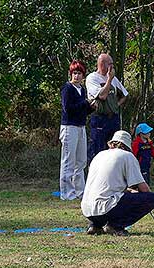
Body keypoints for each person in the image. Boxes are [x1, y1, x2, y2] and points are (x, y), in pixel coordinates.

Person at [81, 130, 154, 236]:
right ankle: (115, 226)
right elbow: (144, 189)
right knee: (150, 198)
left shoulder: (99, 155)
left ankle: (95, 225)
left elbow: (107, 186)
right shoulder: (127, 156)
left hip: (87, 209)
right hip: (106, 207)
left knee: (108, 201)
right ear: (127, 145)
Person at [59, 60, 95, 201]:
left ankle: (80, 191)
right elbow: (68, 108)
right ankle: (67, 193)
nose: (77, 76)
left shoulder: (82, 90)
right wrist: (85, 103)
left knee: (81, 161)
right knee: (69, 161)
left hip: (80, 127)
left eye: (79, 73)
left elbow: (81, 111)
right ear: (71, 74)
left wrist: (90, 107)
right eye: (75, 73)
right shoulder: (67, 88)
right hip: (69, 127)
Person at [85, 53, 128, 163]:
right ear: (102, 64)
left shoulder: (114, 79)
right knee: (97, 149)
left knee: (114, 149)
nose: (112, 67)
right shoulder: (92, 78)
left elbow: (125, 95)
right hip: (99, 118)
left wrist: (115, 105)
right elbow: (102, 96)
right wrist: (109, 80)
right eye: (110, 64)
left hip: (113, 118)